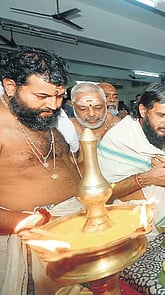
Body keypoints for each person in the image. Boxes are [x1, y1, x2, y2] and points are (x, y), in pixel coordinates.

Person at [0, 47, 83, 295]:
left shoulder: (44, 117)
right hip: (28, 240)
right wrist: (22, 222)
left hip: (70, 230)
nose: (54, 105)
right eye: (42, 95)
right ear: (11, 86)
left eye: (59, 96)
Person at [97, 83, 165, 237]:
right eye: (161, 115)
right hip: (125, 226)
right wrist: (146, 178)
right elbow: (103, 193)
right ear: (143, 110)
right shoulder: (118, 138)